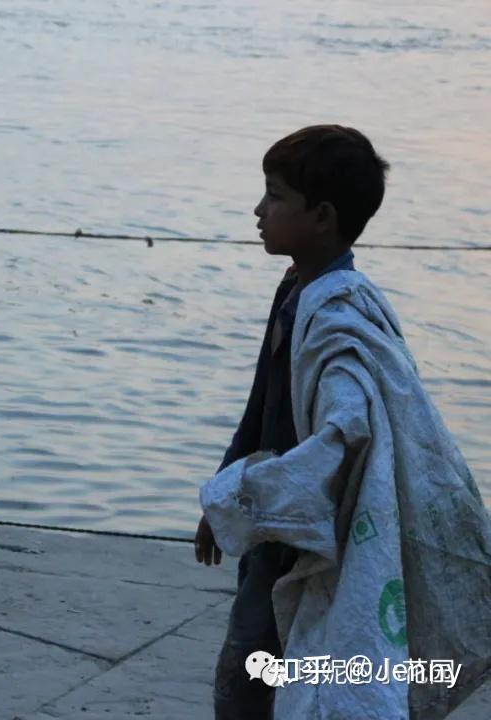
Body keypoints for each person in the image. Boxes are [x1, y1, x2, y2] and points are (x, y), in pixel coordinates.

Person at [195, 125, 491, 719]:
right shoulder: (296, 290)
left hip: (306, 534)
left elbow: (345, 434)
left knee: (260, 683)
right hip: (268, 529)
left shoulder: (340, 317)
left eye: (275, 196)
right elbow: (261, 407)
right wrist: (225, 497)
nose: (259, 209)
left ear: (323, 216)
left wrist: (256, 496)